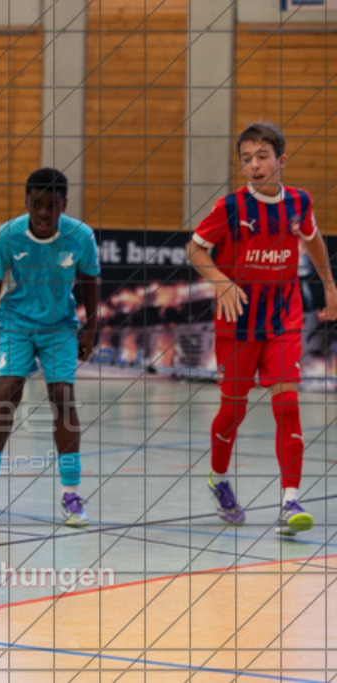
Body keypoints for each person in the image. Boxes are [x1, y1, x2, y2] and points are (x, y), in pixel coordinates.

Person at [187, 121, 337, 536]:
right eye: (246, 159)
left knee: (287, 403)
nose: (254, 165)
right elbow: (195, 249)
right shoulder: (231, 207)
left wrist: (329, 284)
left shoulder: (299, 202)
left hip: (282, 319)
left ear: (281, 160)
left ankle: (290, 501)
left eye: (262, 157)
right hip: (236, 321)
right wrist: (221, 282)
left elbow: (314, 239)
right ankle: (218, 478)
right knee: (232, 410)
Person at [0, 167, 100, 527]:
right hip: (16, 322)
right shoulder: (11, 235)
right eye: (37, 204)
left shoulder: (80, 236)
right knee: (8, 392)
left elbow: (89, 279)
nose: (44, 213)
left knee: (63, 397)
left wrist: (92, 325)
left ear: (64, 205)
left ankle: (71, 494)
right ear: (27, 202)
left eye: (52, 205)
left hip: (60, 326)